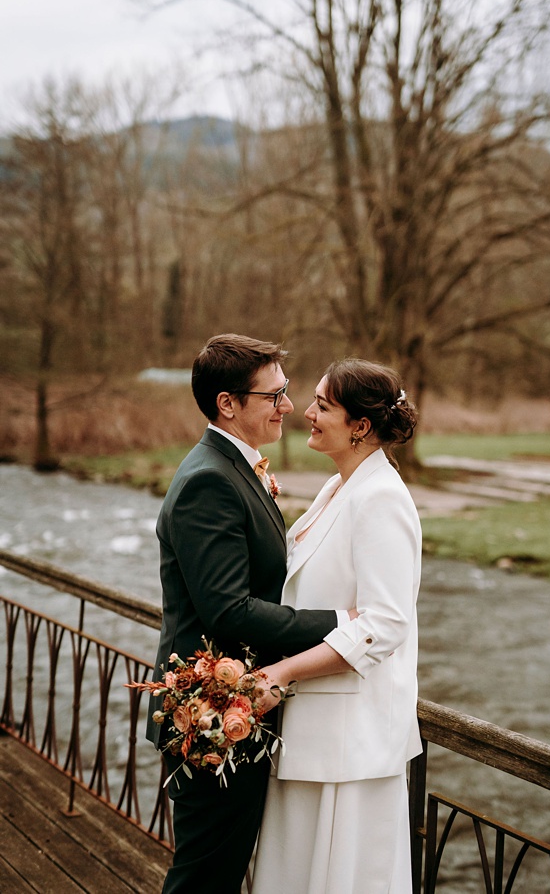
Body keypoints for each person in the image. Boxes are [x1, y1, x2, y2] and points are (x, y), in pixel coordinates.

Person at [149, 334, 348, 894]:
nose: (289, 405)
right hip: (210, 714)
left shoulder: (235, 466)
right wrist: (341, 623)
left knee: (219, 870)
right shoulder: (209, 480)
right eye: (275, 395)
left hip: (238, 708)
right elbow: (229, 610)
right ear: (227, 404)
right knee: (204, 878)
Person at [251, 358, 423, 894]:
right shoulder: (336, 487)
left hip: (352, 746)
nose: (306, 412)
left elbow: (385, 625)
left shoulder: (382, 499)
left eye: (323, 405)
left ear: (360, 426)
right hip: (312, 733)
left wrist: (281, 673)